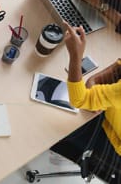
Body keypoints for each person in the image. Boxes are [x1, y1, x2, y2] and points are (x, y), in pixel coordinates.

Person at [50, 21, 121, 180]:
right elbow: (117, 68)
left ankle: (68, 154)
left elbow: (79, 100)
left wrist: (76, 55)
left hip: (113, 144)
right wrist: (93, 84)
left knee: (49, 118)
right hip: (110, 112)